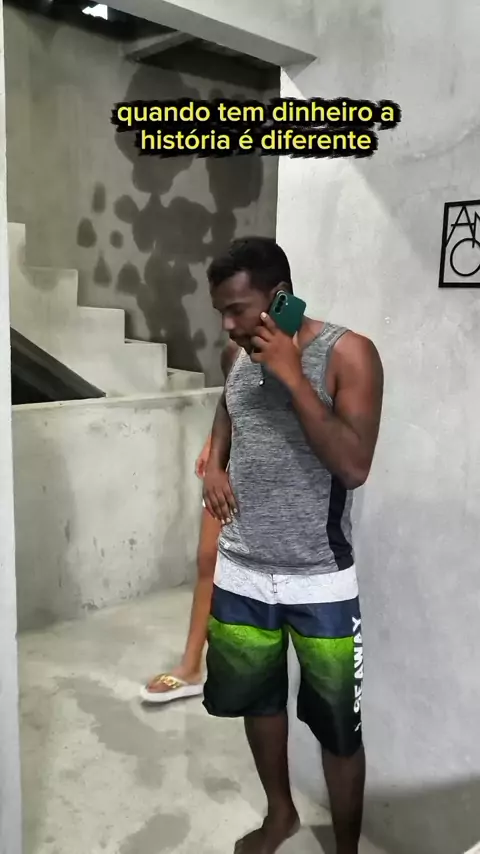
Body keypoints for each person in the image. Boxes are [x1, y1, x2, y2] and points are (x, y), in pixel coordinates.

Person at [202, 236, 384, 854]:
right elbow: (228, 410)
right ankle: (280, 815)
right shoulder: (236, 353)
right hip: (241, 572)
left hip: (319, 578)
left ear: (278, 297)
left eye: (237, 309)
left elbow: (353, 466)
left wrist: (291, 376)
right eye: (221, 312)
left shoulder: (349, 353)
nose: (228, 326)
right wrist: (214, 463)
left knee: (338, 729)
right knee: (259, 701)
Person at [140, 340, 239, 704]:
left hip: (274, 471)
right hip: (229, 460)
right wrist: (214, 444)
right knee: (208, 559)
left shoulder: (293, 337)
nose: (230, 322)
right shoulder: (237, 343)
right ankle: (191, 666)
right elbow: (233, 394)